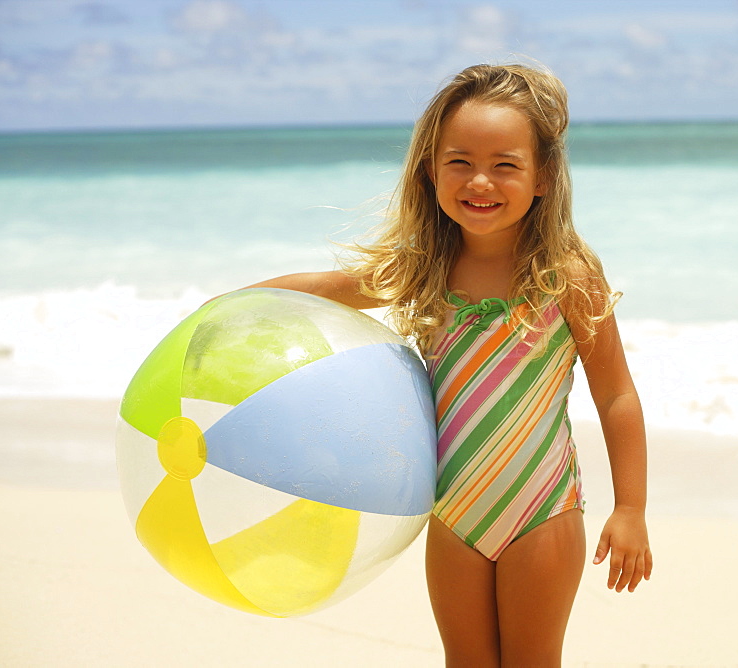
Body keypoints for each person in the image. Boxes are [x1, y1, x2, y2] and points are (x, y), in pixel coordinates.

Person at [243, 62, 651, 667]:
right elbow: (325, 288)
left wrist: (630, 509)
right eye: (459, 161)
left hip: (540, 509)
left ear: (542, 178)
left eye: (505, 164)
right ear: (431, 170)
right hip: (453, 513)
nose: (479, 180)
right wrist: (231, 309)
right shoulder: (425, 271)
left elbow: (616, 393)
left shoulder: (565, 276)